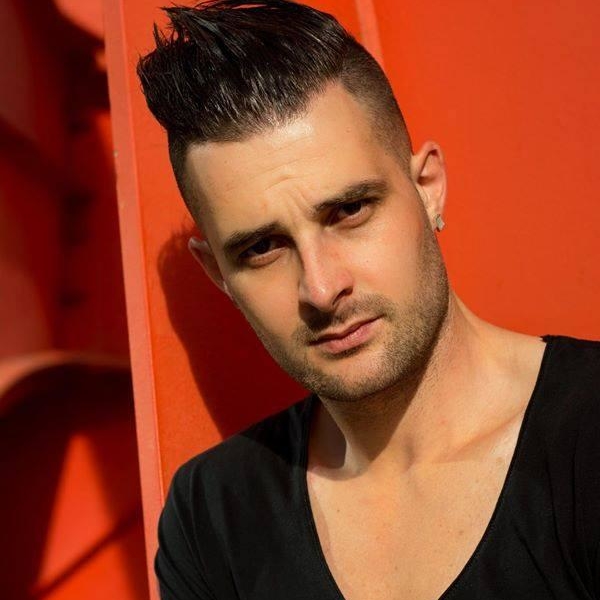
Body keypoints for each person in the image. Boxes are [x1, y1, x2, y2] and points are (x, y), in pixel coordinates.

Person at [137, 1, 600, 598]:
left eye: (349, 210)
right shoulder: (213, 517)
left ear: (427, 188)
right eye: (263, 248)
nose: (321, 288)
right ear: (219, 274)